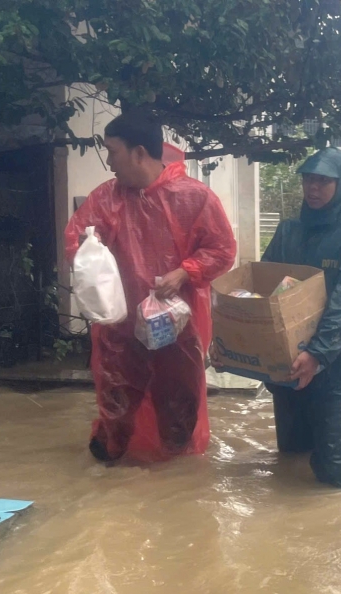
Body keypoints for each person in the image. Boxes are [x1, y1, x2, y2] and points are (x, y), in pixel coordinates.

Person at [65, 112, 236, 463]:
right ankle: (108, 474)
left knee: (179, 405)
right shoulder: (105, 198)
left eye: (113, 152)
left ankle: (175, 489)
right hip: (119, 327)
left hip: (176, 324)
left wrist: (185, 272)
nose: (109, 162)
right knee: (115, 406)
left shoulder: (194, 198)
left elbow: (222, 250)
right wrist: (91, 262)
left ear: (139, 152)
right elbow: (76, 243)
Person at [260, 148, 341, 488]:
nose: (313, 188)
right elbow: (261, 290)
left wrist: (318, 354)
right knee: (289, 462)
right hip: (288, 367)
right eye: (308, 179)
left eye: (323, 181)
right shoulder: (287, 231)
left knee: (334, 475)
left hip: (335, 367)